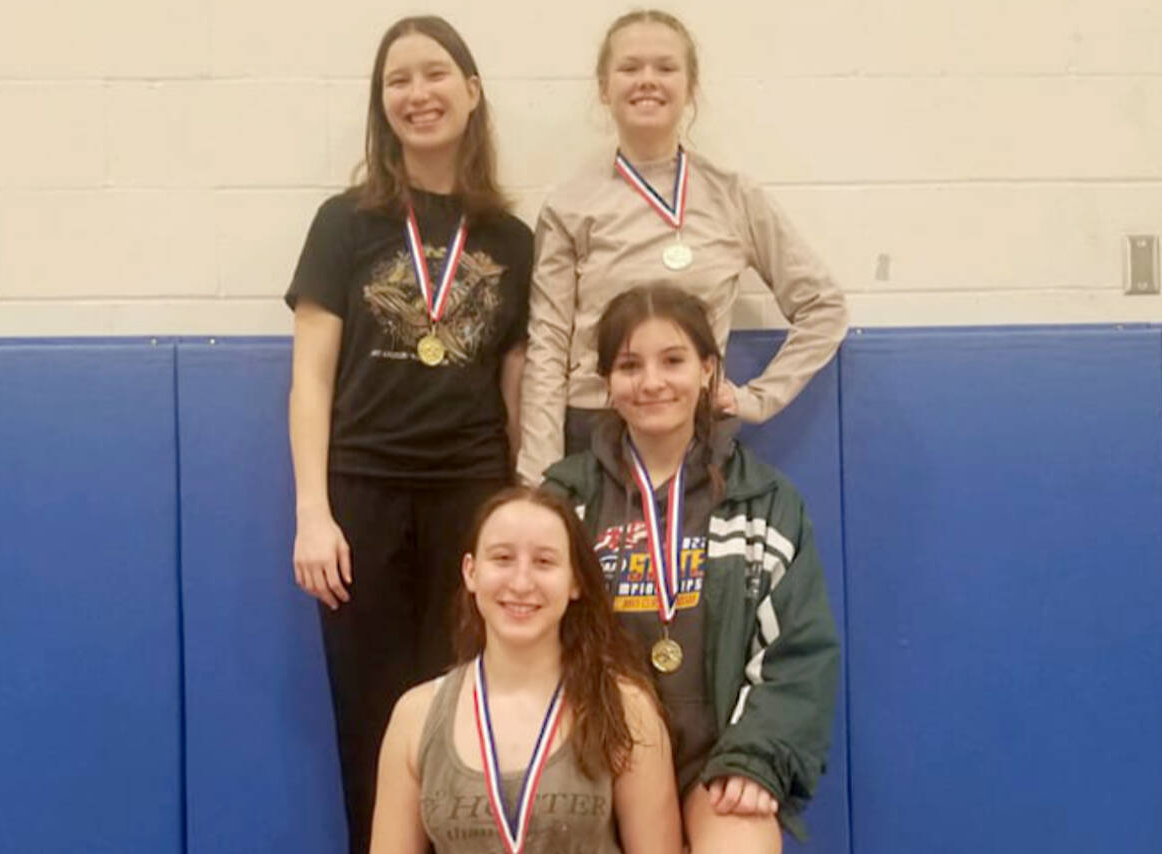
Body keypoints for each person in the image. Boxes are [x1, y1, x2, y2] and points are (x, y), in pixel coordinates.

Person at [284, 16, 533, 853]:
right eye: (398, 80)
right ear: (380, 103)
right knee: (372, 720)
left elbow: (516, 393)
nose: (417, 94)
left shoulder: (512, 239)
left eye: (435, 75)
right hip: (362, 499)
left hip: (473, 497)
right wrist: (313, 513)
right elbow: (311, 378)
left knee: (469, 717)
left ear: (471, 92)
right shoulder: (343, 223)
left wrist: (520, 517)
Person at [543, 285, 839, 853]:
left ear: (708, 369)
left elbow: (797, 653)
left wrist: (755, 759)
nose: (652, 381)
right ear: (607, 381)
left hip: (718, 759)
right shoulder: (565, 501)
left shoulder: (766, 502)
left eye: (673, 360)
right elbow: (531, 639)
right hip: (597, 760)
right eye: (630, 365)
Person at [517, 9, 848, 485]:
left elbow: (824, 306)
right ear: (603, 88)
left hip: (695, 430)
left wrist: (756, 398)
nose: (647, 80)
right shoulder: (569, 205)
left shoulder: (734, 195)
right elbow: (547, 346)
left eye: (665, 68)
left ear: (690, 87)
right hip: (593, 430)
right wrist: (539, 479)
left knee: (694, 561)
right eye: (630, 68)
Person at [370, 487, 682, 853]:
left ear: (575, 582)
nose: (520, 583)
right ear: (471, 572)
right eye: (502, 558)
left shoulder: (627, 709)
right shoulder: (415, 717)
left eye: (544, 562)